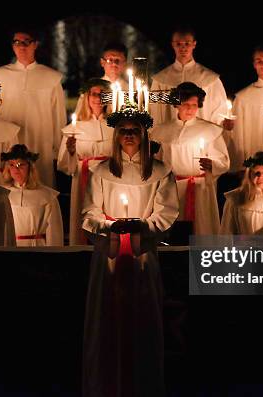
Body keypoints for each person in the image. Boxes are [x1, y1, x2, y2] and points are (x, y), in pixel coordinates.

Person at [81, 105, 178, 396]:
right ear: (116, 135)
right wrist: (109, 227)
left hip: (141, 253)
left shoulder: (160, 172)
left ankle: (142, 382)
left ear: (144, 134)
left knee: (143, 314)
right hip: (109, 253)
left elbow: (166, 212)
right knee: (106, 316)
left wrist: (139, 226)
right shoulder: (101, 171)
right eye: (123, 130)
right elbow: (88, 212)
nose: (129, 135)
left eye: (135, 130)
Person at [151, 82, 229, 235]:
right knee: (174, 230)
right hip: (172, 188)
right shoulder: (162, 130)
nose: (190, 109)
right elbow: (158, 161)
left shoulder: (209, 130)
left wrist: (211, 164)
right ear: (177, 105)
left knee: (202, 228)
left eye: (194, 105)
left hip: (200, 189)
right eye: (185, 104)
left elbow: (224, 161)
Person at [0, 27, 66, 187]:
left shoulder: (51, 77)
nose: (22, 46)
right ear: (13, 46)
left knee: (41, 188)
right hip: (9, 142)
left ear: (35, 45)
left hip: (41, 143)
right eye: (17, 42)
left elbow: (58, 116)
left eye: (26, 42)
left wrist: (57, 151)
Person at [58, 78, 114, 245]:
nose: (98, 98)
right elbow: (65, 166)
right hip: (84, 179)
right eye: (94, 94)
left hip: (109, 180)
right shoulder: (75, 128)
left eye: (102, 94)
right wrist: (71, 151)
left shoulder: (115, 126)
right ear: (87, 98)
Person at [226, 46, 263, 173]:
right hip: (252, 159)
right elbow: (237, 135)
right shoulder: (244, 97)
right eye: (259, 61)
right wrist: (240, 165)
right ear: (254, 64)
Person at [149, 26, 228, 126]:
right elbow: (155, 113)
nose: (183, 48)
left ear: (194, 44)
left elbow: (220, 110)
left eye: (187, 43)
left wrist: (222, 122)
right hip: (170, 137)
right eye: (178, 44)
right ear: (173, 45)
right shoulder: (160, 80)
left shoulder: (210, 79)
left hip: (200, 135)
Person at [1, 144, 63, 246]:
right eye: (12, 165)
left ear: (30, 167)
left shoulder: (47, 196)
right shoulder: (3, 194)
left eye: (21, 165)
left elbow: (54, 234)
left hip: (38, 248)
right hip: (11, 248)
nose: (16, 169)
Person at [74, 43, 128, 113]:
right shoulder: (91, 89)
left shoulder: (131, 90)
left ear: (125, 63)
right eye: (110, 60)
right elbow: (80, 116)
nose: (114, 64)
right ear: (102, 62)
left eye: (118, 60)